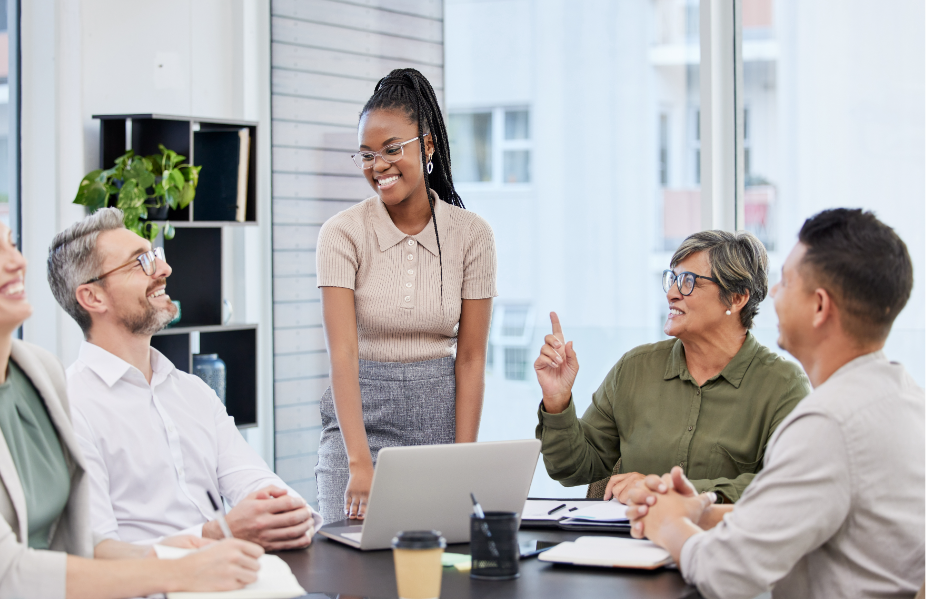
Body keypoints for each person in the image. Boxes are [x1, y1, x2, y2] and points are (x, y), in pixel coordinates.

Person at [0, 201, 263, 599]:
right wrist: (173, 571)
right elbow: (0, 571)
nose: (16, 261)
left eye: (12, 245)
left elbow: (83, 541)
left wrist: (184, 549)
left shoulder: (37, 371)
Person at [625, 208, 924, 599]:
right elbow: (816, 518)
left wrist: (668, 524)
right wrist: (703, 513)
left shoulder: (827, 423)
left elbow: (725, 574)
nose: (775, 297)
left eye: (785, 282)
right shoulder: (904, 400)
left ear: (819, 306)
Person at [47, 208, 321, 549]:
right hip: (148, 595)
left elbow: (254, 481)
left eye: (155, 256)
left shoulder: (193, 392)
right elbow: (96, 550)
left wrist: (287, 514)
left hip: (234, 576)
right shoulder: (70, 407)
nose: (164, 269)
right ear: (93, 297)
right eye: (140, 262)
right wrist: (215, 534)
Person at [315, 68, 497, 522]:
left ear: (428, 145)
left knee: (437, 572)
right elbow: (343, 353)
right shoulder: (342, 234)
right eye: (366, 155)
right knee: (350, 578)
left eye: (392, 149)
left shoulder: (472, 235)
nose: (378, 166)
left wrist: (462, 460)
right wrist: (359, 462)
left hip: (439, 421)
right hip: (358, 426)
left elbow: (472, 358)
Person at [534, 230, 810, 504]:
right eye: (673, 279)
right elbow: (571, 469)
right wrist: (557, 402)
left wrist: (669, 491)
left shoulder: (783, 384)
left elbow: (788, 483)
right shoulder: (635, 368)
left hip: (719, 544)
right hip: (626, 543)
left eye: (689, 281)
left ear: (737, 298)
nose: (672, 294)